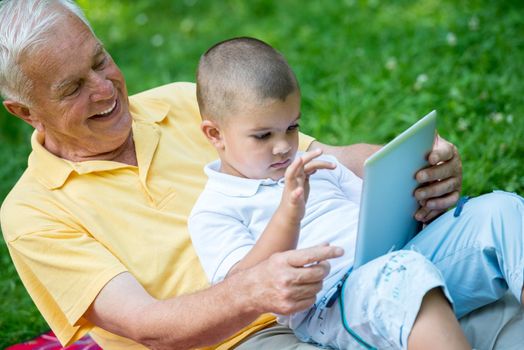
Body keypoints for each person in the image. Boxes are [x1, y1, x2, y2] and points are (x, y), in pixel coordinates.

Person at [0, 0, 491, 349]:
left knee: (495, 287)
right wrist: (253, 289)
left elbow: (326, 159)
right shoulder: (32, 213)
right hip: (242, 340)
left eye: (100, 60)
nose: (106, 89)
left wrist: (418, 161)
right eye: (73, 88)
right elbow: (147, 327)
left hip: (335, 285)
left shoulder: (178, 100)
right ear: (25, 111)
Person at [189, 37, 524, 349]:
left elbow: (376, 213)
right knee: (404, 274)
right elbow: (244, 283)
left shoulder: (316, 164)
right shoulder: (215, 209)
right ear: (215, 134)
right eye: (263, 136)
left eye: (292, 127)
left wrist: (418, 203)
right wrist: (289, 212)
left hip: (399, 259)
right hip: (334, 301)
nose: (282, 147)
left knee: (503, 211)